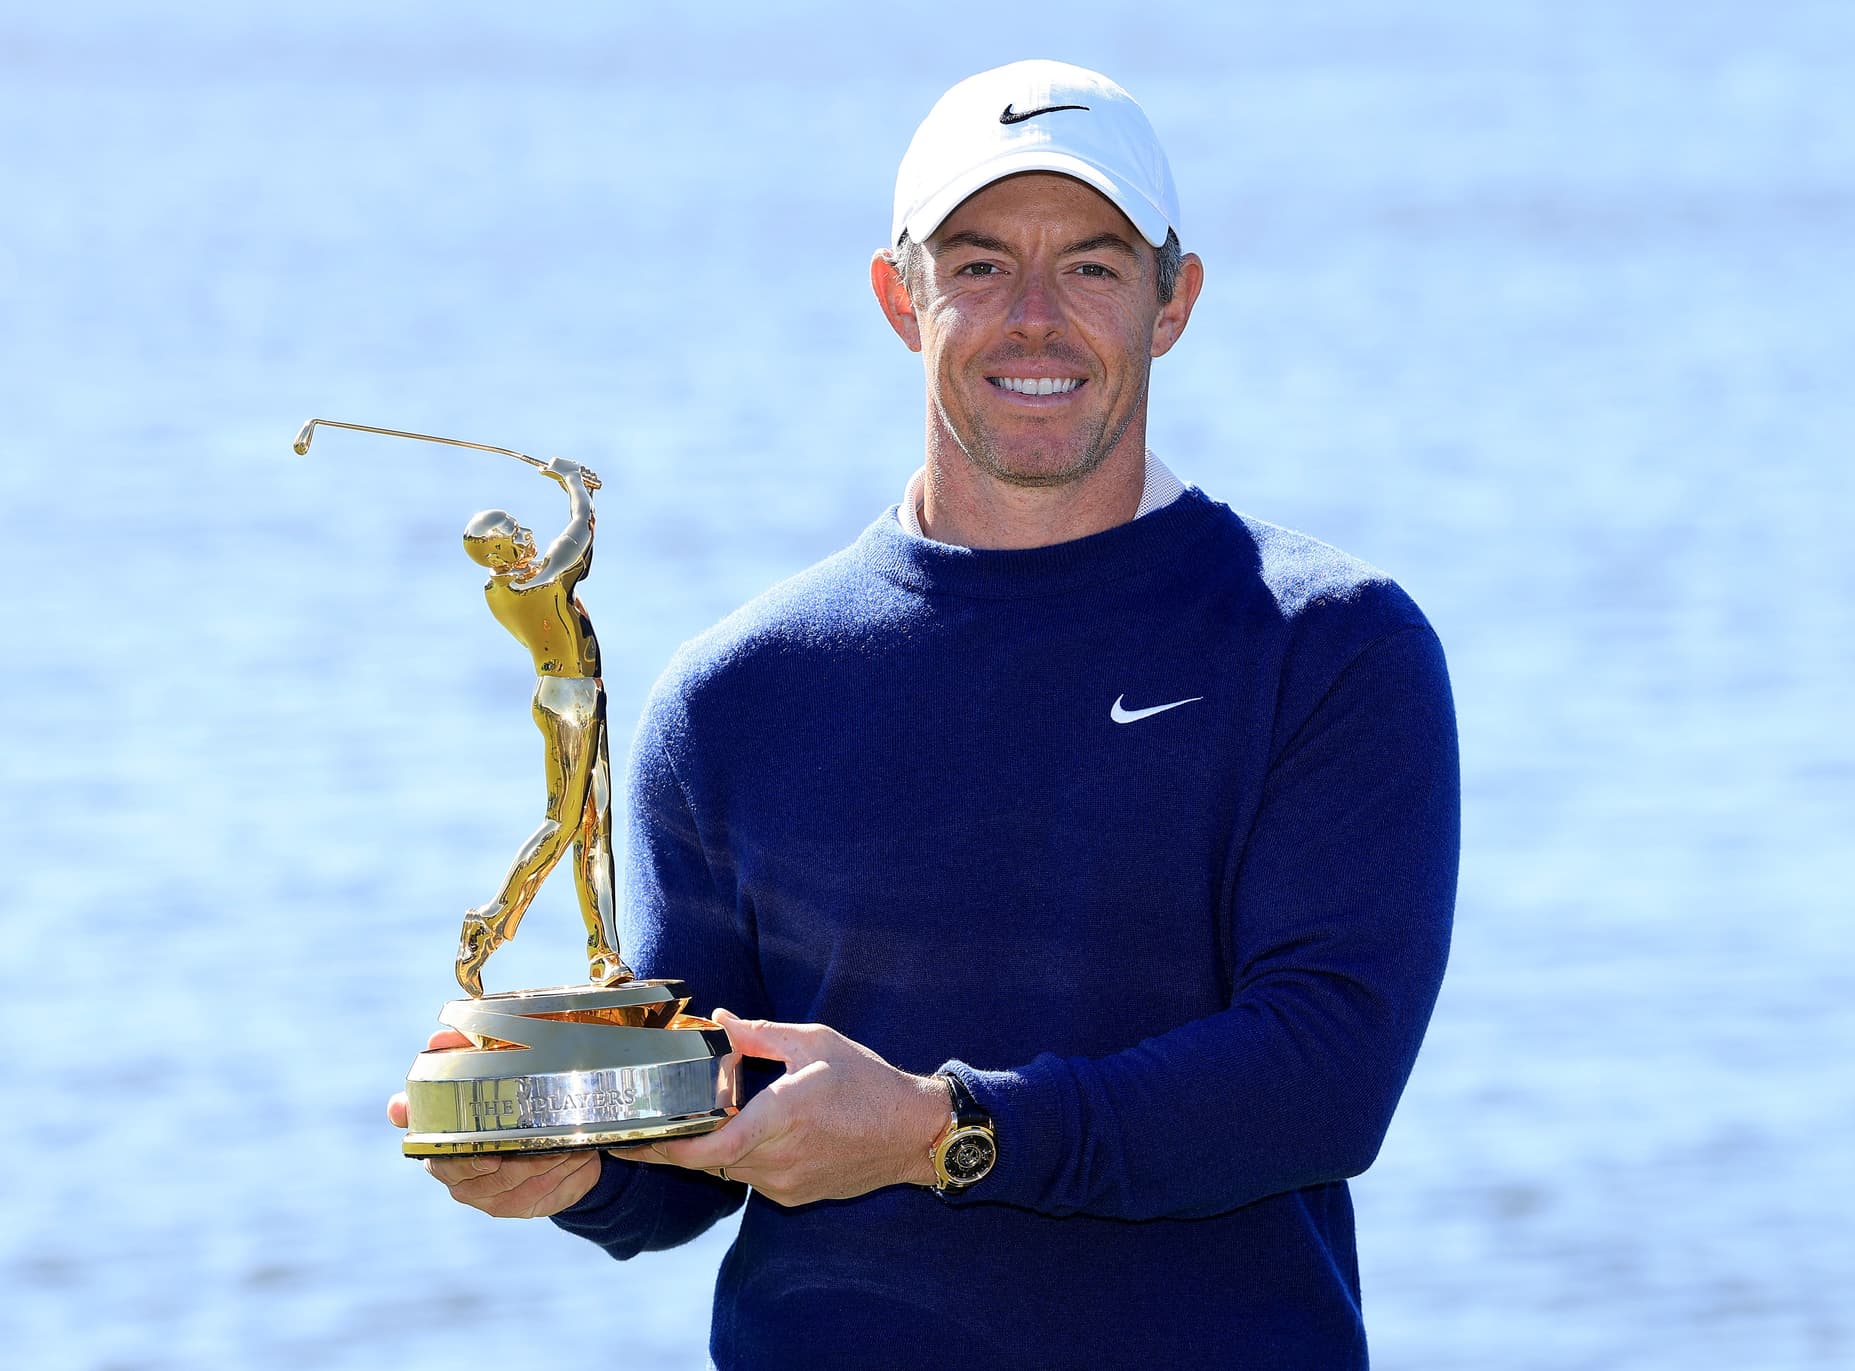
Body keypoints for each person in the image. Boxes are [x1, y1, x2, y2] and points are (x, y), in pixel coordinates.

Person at [391, 59, 1459, 1368]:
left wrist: (941, 1126)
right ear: (901, 296)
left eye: (1093, 266)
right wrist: (573, 1164)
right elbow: (710, 1130)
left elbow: (1321, 1076)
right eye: (979, 263)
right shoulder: (740, 691)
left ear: (1174, 301)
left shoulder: (1330, 645)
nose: (1033, 318)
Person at [452, 456, 634, 995]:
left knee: (595, 828)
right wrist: (573, 482)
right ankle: (489, 925)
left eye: (518, 525)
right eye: (512, 534)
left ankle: (604, 954)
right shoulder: (536, 583)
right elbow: (581, 531)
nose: (524, 533)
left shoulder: (500, 589)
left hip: (582, 698)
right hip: (570, 704)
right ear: (499, 555)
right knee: (562, 827)